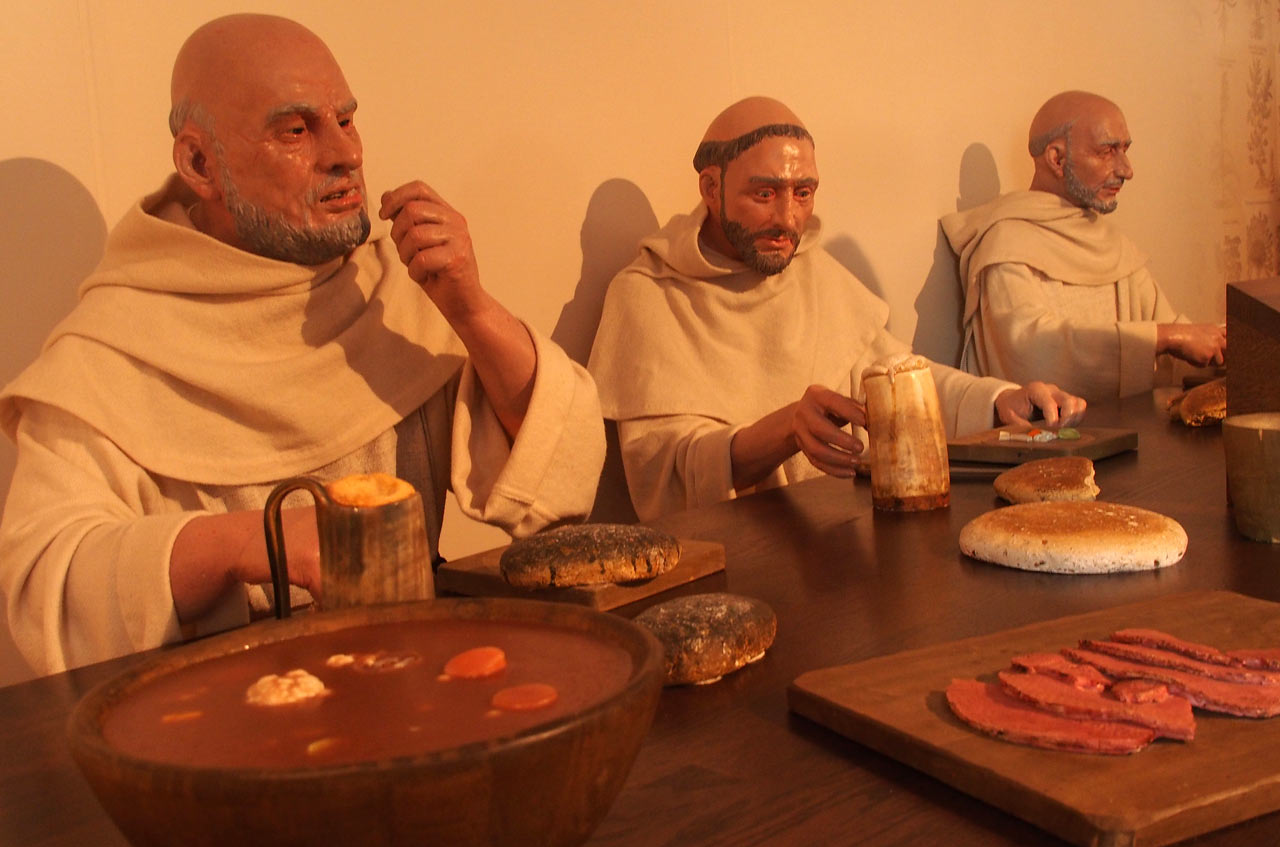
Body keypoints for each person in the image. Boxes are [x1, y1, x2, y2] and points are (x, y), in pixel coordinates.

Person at [0, 14, 604, 675]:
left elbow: (564, 472)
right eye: (296, 130)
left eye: (345, 120)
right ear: (200, 163)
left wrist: (472, 308)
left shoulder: (386, 290)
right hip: (222, 719)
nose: (345, 153)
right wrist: (254, 542)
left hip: (411, 680)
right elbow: (47, 587)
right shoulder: (112, 350)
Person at [587, 96, 1085, 522]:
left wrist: (1000, 401)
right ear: (711, 187)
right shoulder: (648, 296)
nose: (788, 218)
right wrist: (784, 429)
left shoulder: (813, 272)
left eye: (802, 193)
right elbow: (663, 474)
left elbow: (899, 379)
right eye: (764, 193)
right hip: (724, 565)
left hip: (835, 541)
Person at [941, 90, 1226, 399]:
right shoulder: (1007, 243)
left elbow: (1175, 340)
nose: (1126, 170)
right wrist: (1164, 337)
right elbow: (1032, 351)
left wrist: (1222, 344)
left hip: (1134, 430)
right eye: (1107, 151)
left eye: (1125, 150)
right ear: (1057, 158)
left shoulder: (1110, 245)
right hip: (1050, 439)